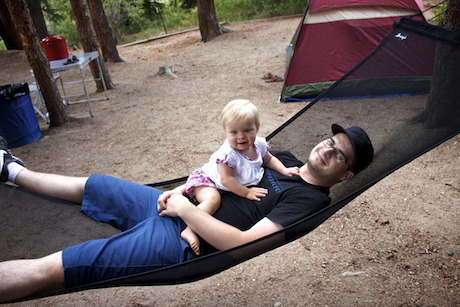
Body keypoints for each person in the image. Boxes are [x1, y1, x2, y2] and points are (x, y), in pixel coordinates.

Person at [0, 123, 373, 302]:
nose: (326, 150)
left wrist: (183, 208)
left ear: (347, 173)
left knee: (57, 268)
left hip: (180, 243)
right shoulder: (285, 161)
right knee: (96, 185)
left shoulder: (311, 202)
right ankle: (12, 170)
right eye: (330, 142)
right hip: (182, 202)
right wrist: (180, 190)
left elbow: (242, 245)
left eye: (339, 154)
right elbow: (222, 168)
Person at [181, 99, 300, 255]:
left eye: (247, 130)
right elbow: (226, 179)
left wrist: (284, 170)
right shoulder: (228, 154)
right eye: (234, 132)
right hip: (207, 181)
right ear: (225, 131)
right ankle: (190, 228)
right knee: (213, 200)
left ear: (256, 128)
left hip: (224, 184)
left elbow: (268, 159)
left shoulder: (259, 145)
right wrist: (247, 192)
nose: (241, 137)